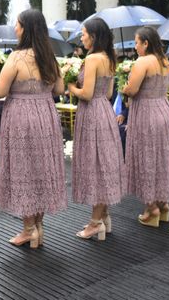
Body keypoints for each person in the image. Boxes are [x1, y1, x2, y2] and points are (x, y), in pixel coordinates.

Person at [0, 9, 66, 248]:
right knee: (42, 168)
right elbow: (60, 90)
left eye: (18, 24)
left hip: (21, 118)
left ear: (26, 29)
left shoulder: (17, 58)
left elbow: (0, 92)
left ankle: (28, 229)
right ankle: (39, 227)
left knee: (25, 169)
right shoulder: (49, 57)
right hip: (46, 116)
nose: (15, 28)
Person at [67, 18, 125, 241]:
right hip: (105, 111)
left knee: (95, 165)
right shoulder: (109, 59)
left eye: (83, 33)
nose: (81, 37)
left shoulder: (92, 59)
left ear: (93, 35)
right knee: (103, 164)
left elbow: (87, 94)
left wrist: (71, 85)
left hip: (91, 114)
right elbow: (109, 94)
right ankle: (103, 217)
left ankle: (95, 223)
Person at [122, 26, 169, 227]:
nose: (136, 47)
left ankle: (151, 209)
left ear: (146, 43)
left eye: (137, 42)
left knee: (145, 159)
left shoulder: (143, 61)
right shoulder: (166, 62)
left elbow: (133, 90)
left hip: (147, 113)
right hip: (165, 111)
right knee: (162, 159)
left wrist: (125, 86)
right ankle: (164, 205)